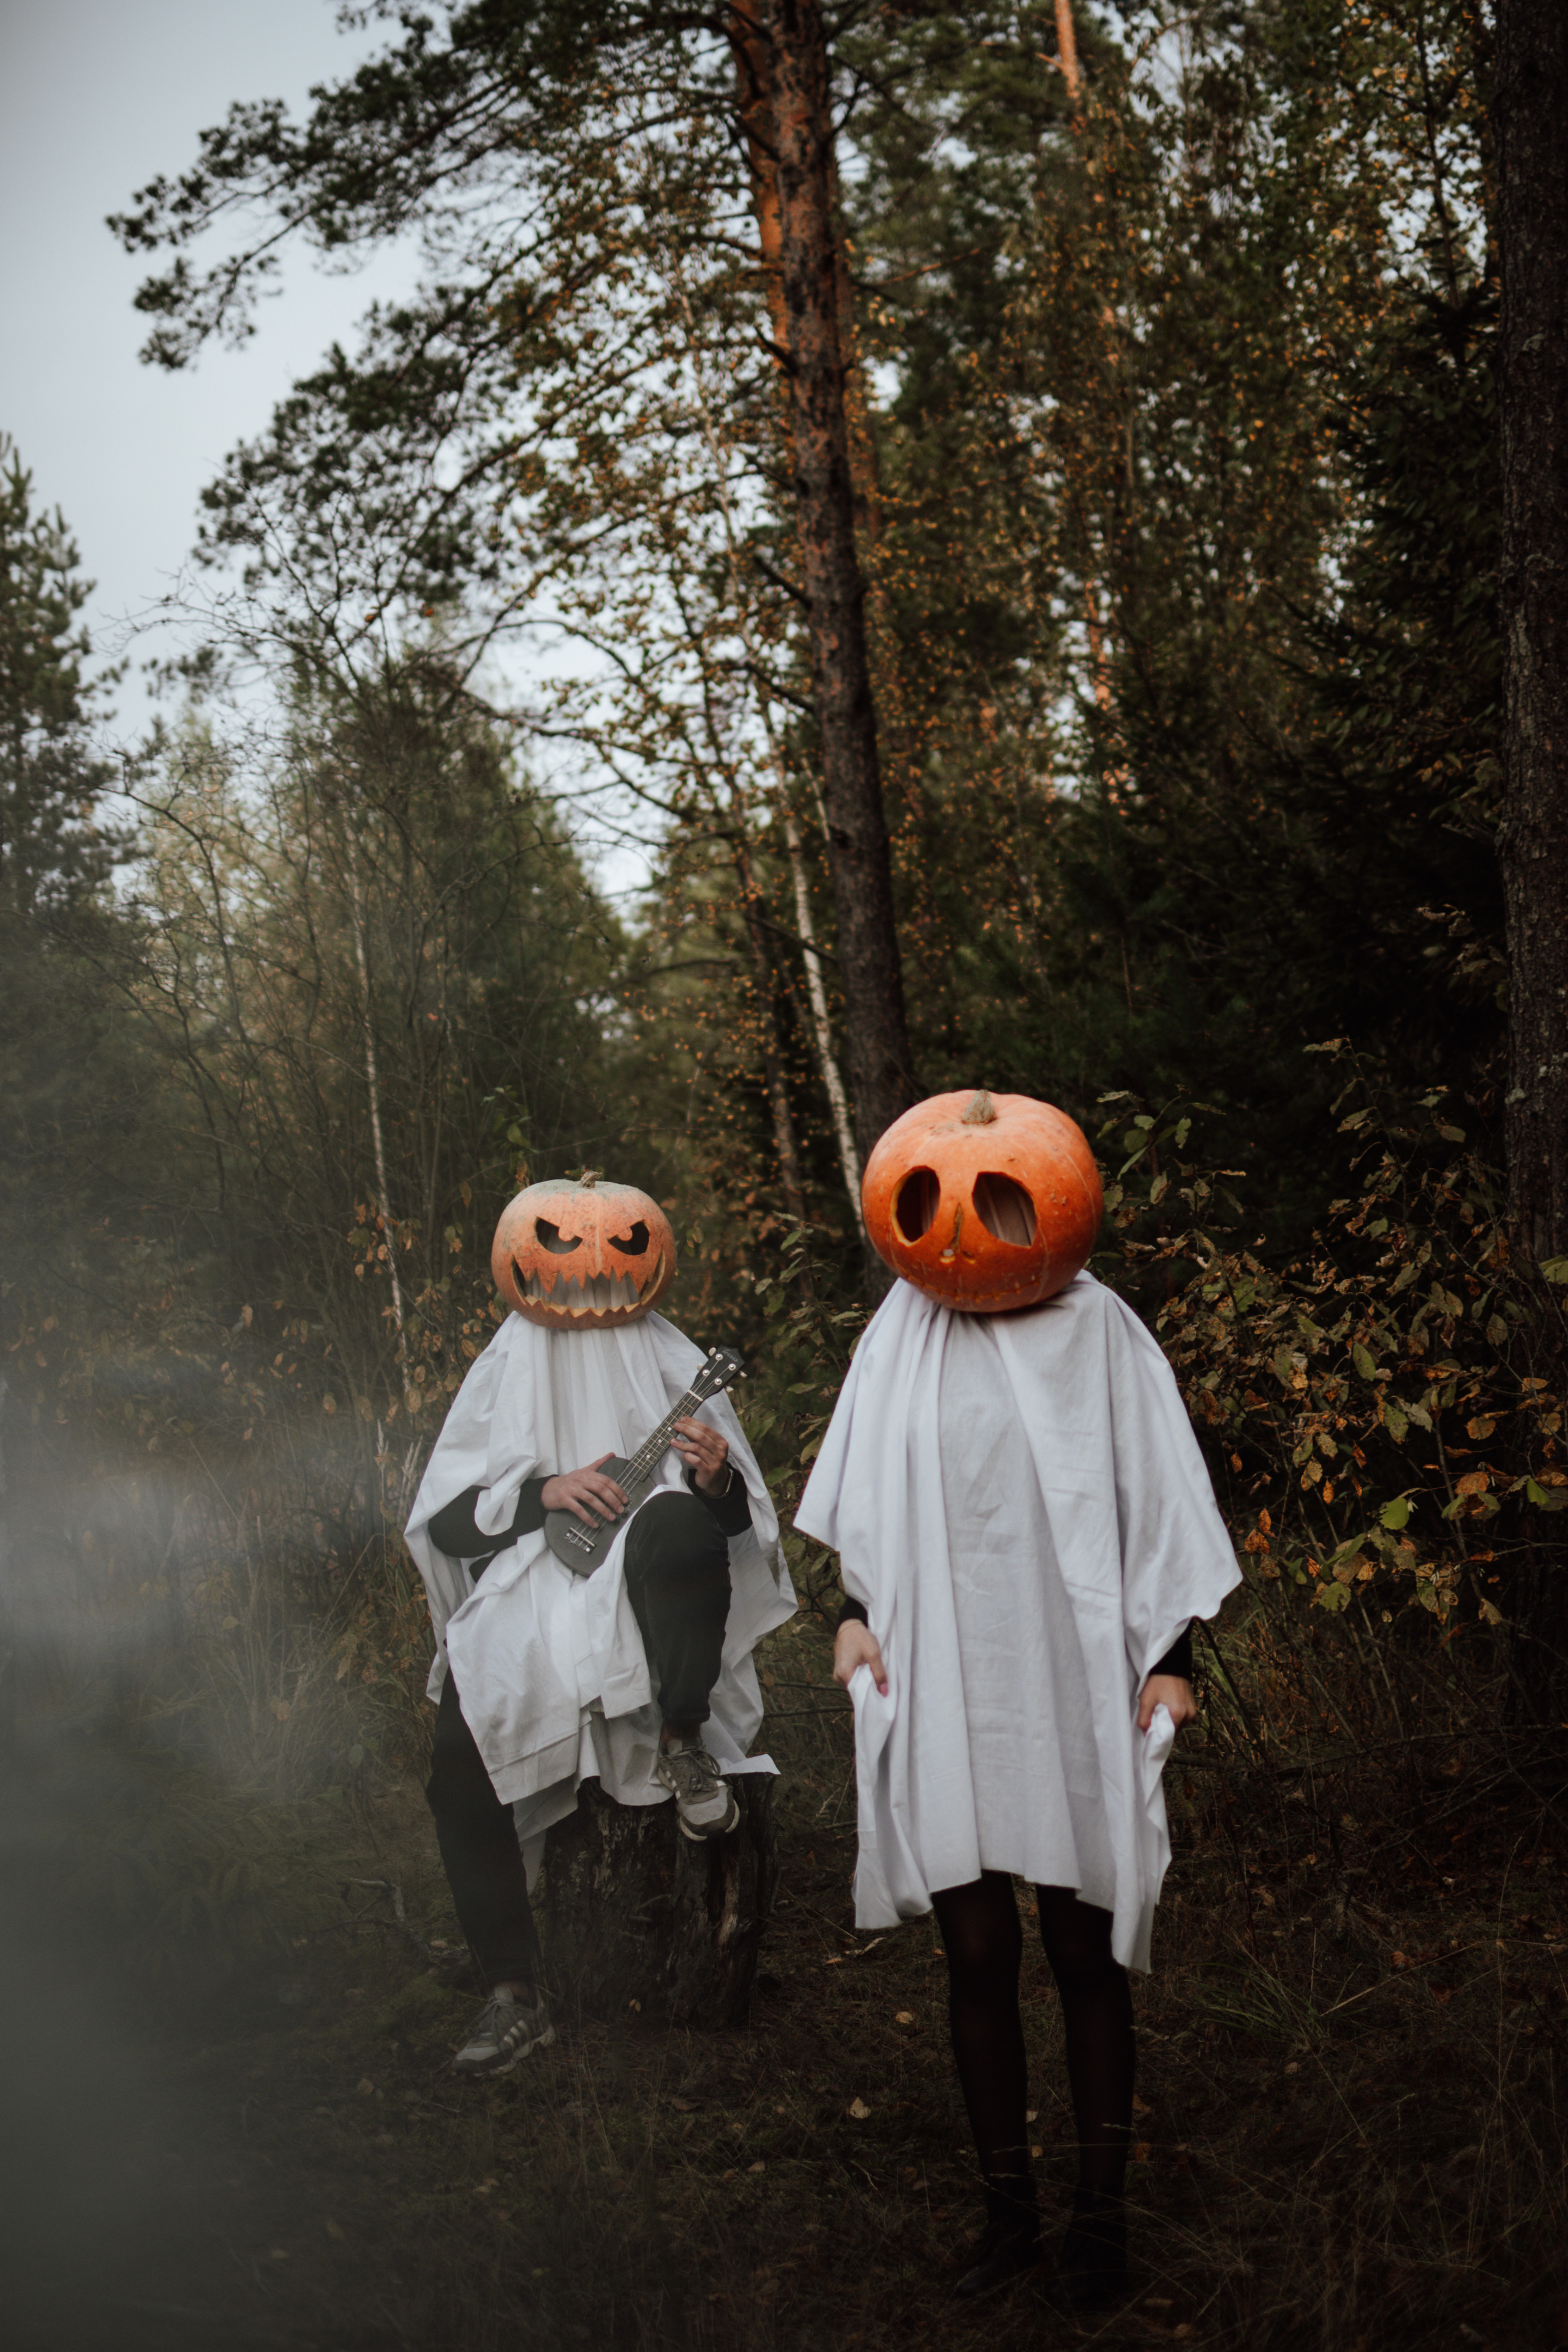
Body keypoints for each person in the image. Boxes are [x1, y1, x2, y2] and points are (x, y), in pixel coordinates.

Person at [797, 1225, 1238, 2310]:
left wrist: (1170, 1658)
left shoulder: (1097, 1326)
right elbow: (870, 1496)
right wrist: (854, 1613)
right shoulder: (902, 1330)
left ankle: (1100, 2224)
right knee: (979, 1950)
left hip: (1073, 1665)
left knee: (1084, 1947)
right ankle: (1009, 2220)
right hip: (948, 1661)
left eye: (999, 1207)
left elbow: (1156, 1497)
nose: (974, 1232)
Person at [404, 1178, 795, 2078]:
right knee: (459, 1761)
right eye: (558, 1243)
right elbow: (449, 1524)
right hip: (538, 1581)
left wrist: (713, 1481)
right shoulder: (507, 1362)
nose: (586, 1265)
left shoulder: (671, 1358)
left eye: (615, 1244)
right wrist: (541, 1495)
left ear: (644, 1253)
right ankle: (512, 1993)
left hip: (651, 1590)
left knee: (678, 1520)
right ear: (525, 1255)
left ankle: (682, 1738)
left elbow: (738, 1531)